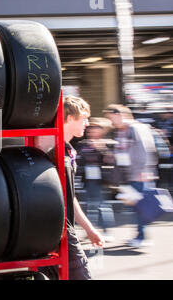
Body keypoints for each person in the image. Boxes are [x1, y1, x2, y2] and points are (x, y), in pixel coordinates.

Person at [39, 95, 105, 280]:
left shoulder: (65, 150)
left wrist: (89, 229)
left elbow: (68, 196)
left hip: (52, 231)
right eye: (84, 118)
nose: (88, 123)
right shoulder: (52, 148)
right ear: (69, 118)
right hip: (58, 231)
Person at [104, 104, 158, 247]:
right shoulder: (122, 131)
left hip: (138, 174)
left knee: (140, 206)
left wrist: (145, 170)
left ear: (120, 115)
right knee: (135, 206)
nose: (112, 121)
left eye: (112, 117)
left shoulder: (136, 128)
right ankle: (140, 235)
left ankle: (142, 237)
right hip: (127, 175)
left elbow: (145, 149)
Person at [76, 117, 116, 241]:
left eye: (95, 129)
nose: (91, 131)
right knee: (89, 205)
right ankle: (90, 231)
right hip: (88, 179)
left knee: (102, 205)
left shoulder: (107, 143)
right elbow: (79, 159)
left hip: (102, 179)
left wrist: (100, 148)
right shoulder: (83, 144)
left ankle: (106, 231)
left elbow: (110, 159)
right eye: (90, 129)